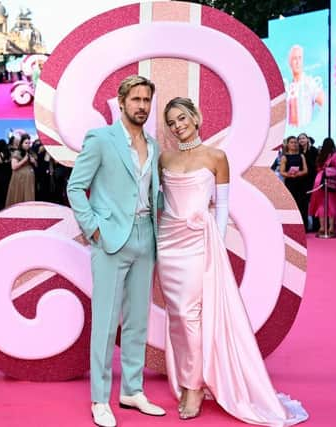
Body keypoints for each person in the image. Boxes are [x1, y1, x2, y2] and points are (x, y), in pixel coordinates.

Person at [157, 97, 308, 425]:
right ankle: (188, 377)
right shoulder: (165, 158)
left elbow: (222, 206)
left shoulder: (216, 157)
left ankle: (194, 386)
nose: (177, 125)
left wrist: (215, 241)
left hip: (199, 241)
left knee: (190, 314)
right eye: (171, 122)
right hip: (168, 243)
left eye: (182, 118)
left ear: (196, 117)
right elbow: (164, 202)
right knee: (177, 317)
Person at [67, 75, 165, 427]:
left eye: (146, 100)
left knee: (138, 321)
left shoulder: (152, 144)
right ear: (121, 102)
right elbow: (76, 187)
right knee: (106, 324)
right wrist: (93, 228)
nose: (141, 106)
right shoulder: (101, 139)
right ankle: (99, 399)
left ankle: (132, 390)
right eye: (135, 99)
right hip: (110, 239)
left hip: (145, 237)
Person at [286, 45, 324, 128]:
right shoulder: (288, 87)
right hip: (290, 134)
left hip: (307, 131)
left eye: (300, 58)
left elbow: (324, 103)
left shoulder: (310, 83)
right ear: (290, 63)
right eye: (294, 58)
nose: (297, 62)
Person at [309, 137, 336, 236]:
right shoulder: (334, 155)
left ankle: (321, 227)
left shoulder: (321, 155)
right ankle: (331, 228)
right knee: (331, 204)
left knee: (321, 205)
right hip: (329, 180)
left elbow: (317, 167)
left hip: (318, 180)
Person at [280, 135, 309, 231]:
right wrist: (289, 174)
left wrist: (299, 173)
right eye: (291, 142)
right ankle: (290, 228)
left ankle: (303, 228)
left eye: (295, 142)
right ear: (287, 144)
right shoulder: (285, 157)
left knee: (302, 205)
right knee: (291, 205)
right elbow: (282, 172)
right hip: (290, 183)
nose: (294, 144)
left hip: (301, 183)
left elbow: (305, 170)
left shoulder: (301, 156)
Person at [5, 134, 36, 207]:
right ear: (21, 143)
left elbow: (36, 165)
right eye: (26, 143)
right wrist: (24, 160)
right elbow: (14, 167)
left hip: (28, 180)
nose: (28, 145)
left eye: (29, 143)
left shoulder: (30, 152)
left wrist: (34, 161)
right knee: (19, 196)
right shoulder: (17, 153)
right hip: (20, 179)